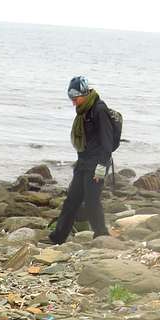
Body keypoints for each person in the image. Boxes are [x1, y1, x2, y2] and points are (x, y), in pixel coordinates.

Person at [46, 76, 114, 244]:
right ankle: (58, 237)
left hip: (96, 163)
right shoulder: (84, 110)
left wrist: (102, 166)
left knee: (92, 203)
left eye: (75, 99)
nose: (73, 103)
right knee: (72, 201)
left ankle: (102, 236)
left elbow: (107, 141)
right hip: (83, 162)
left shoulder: (99, 110)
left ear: (84, 94)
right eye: (71, 99)